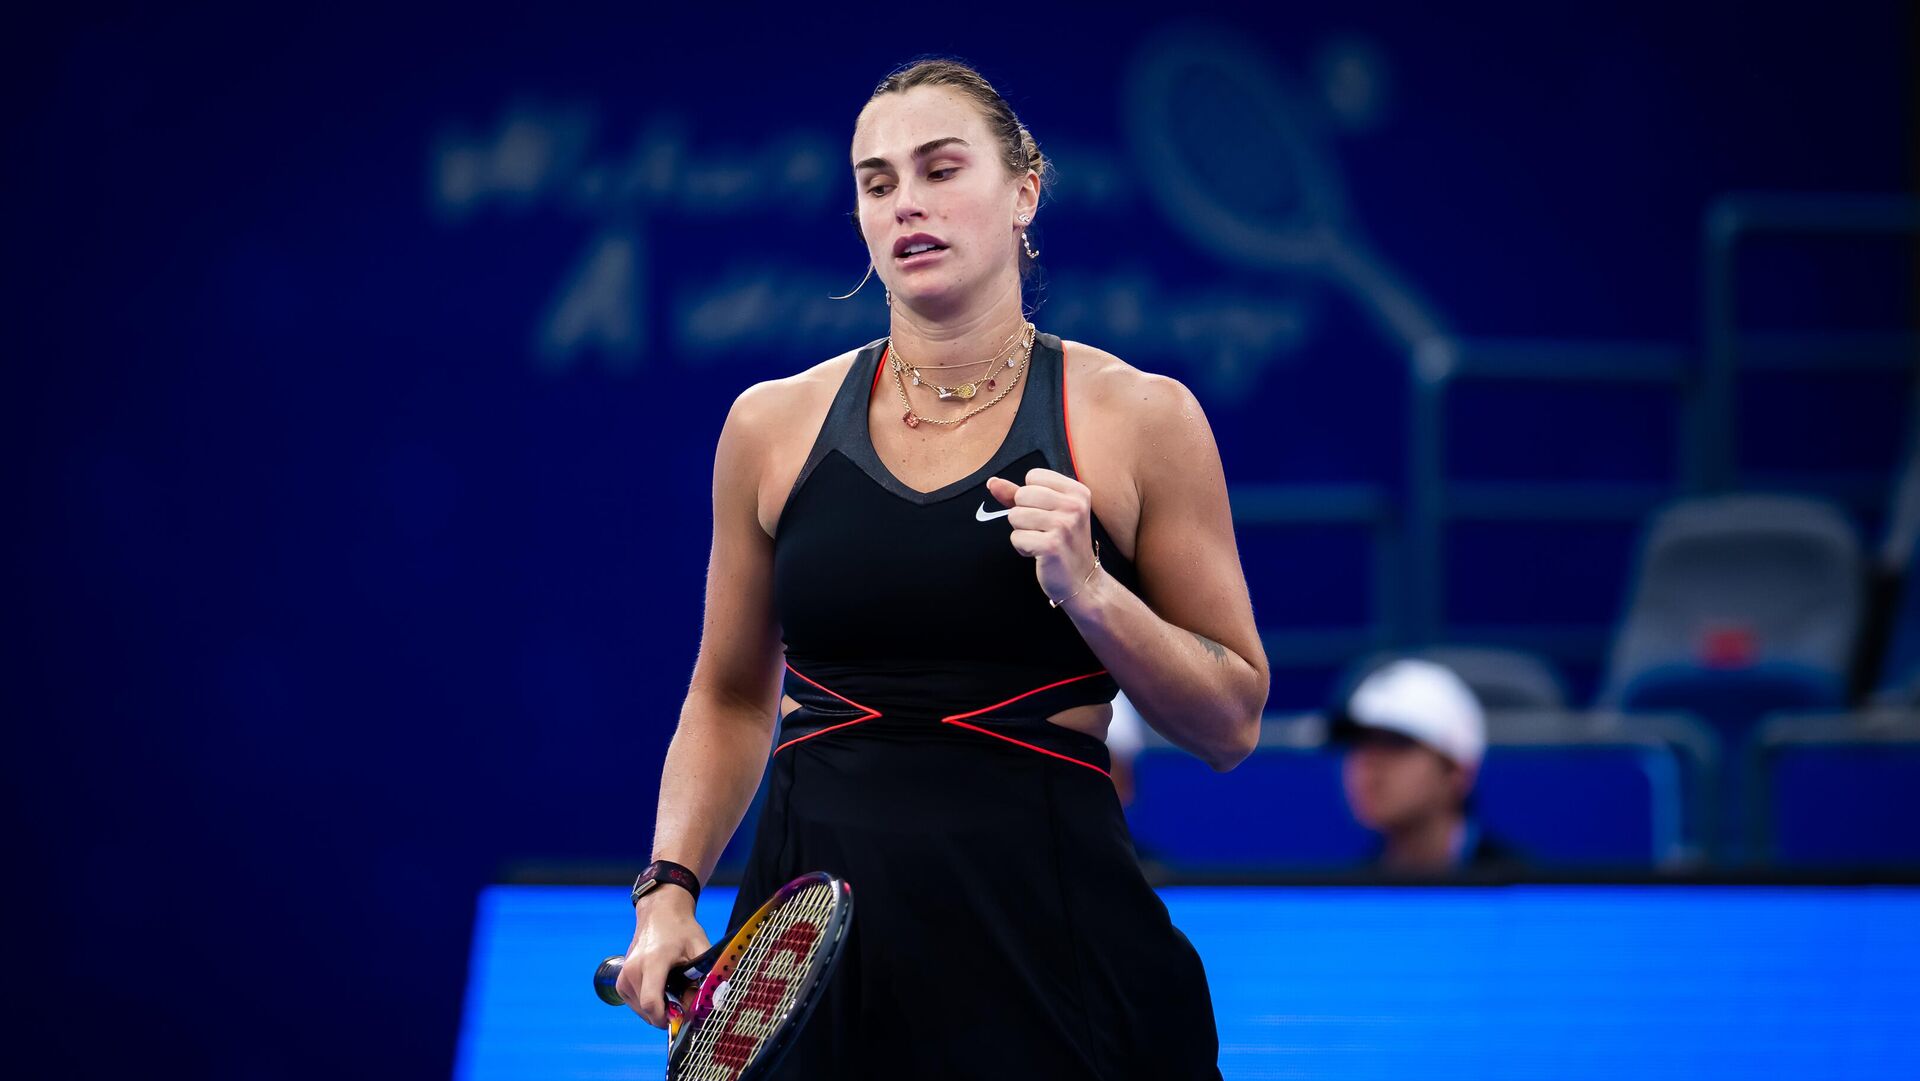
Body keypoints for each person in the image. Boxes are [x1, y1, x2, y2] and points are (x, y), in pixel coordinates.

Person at [614, 57, 1269, 1079]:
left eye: (940, 168)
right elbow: (732, 694)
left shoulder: (1143, 418)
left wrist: (1095, 594)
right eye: (877, 183)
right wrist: (667, 890)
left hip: (1056, 960)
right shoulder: (768, 426)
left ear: (1024, 192)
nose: (906, 203)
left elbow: (1231, 723)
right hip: (816, 971)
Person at [1332, 658, 1523, 874]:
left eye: (1396, 743)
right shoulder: (1350, 890)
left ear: (1457, 772)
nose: (1370, 761)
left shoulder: (1524, 889)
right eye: (1359, 741)